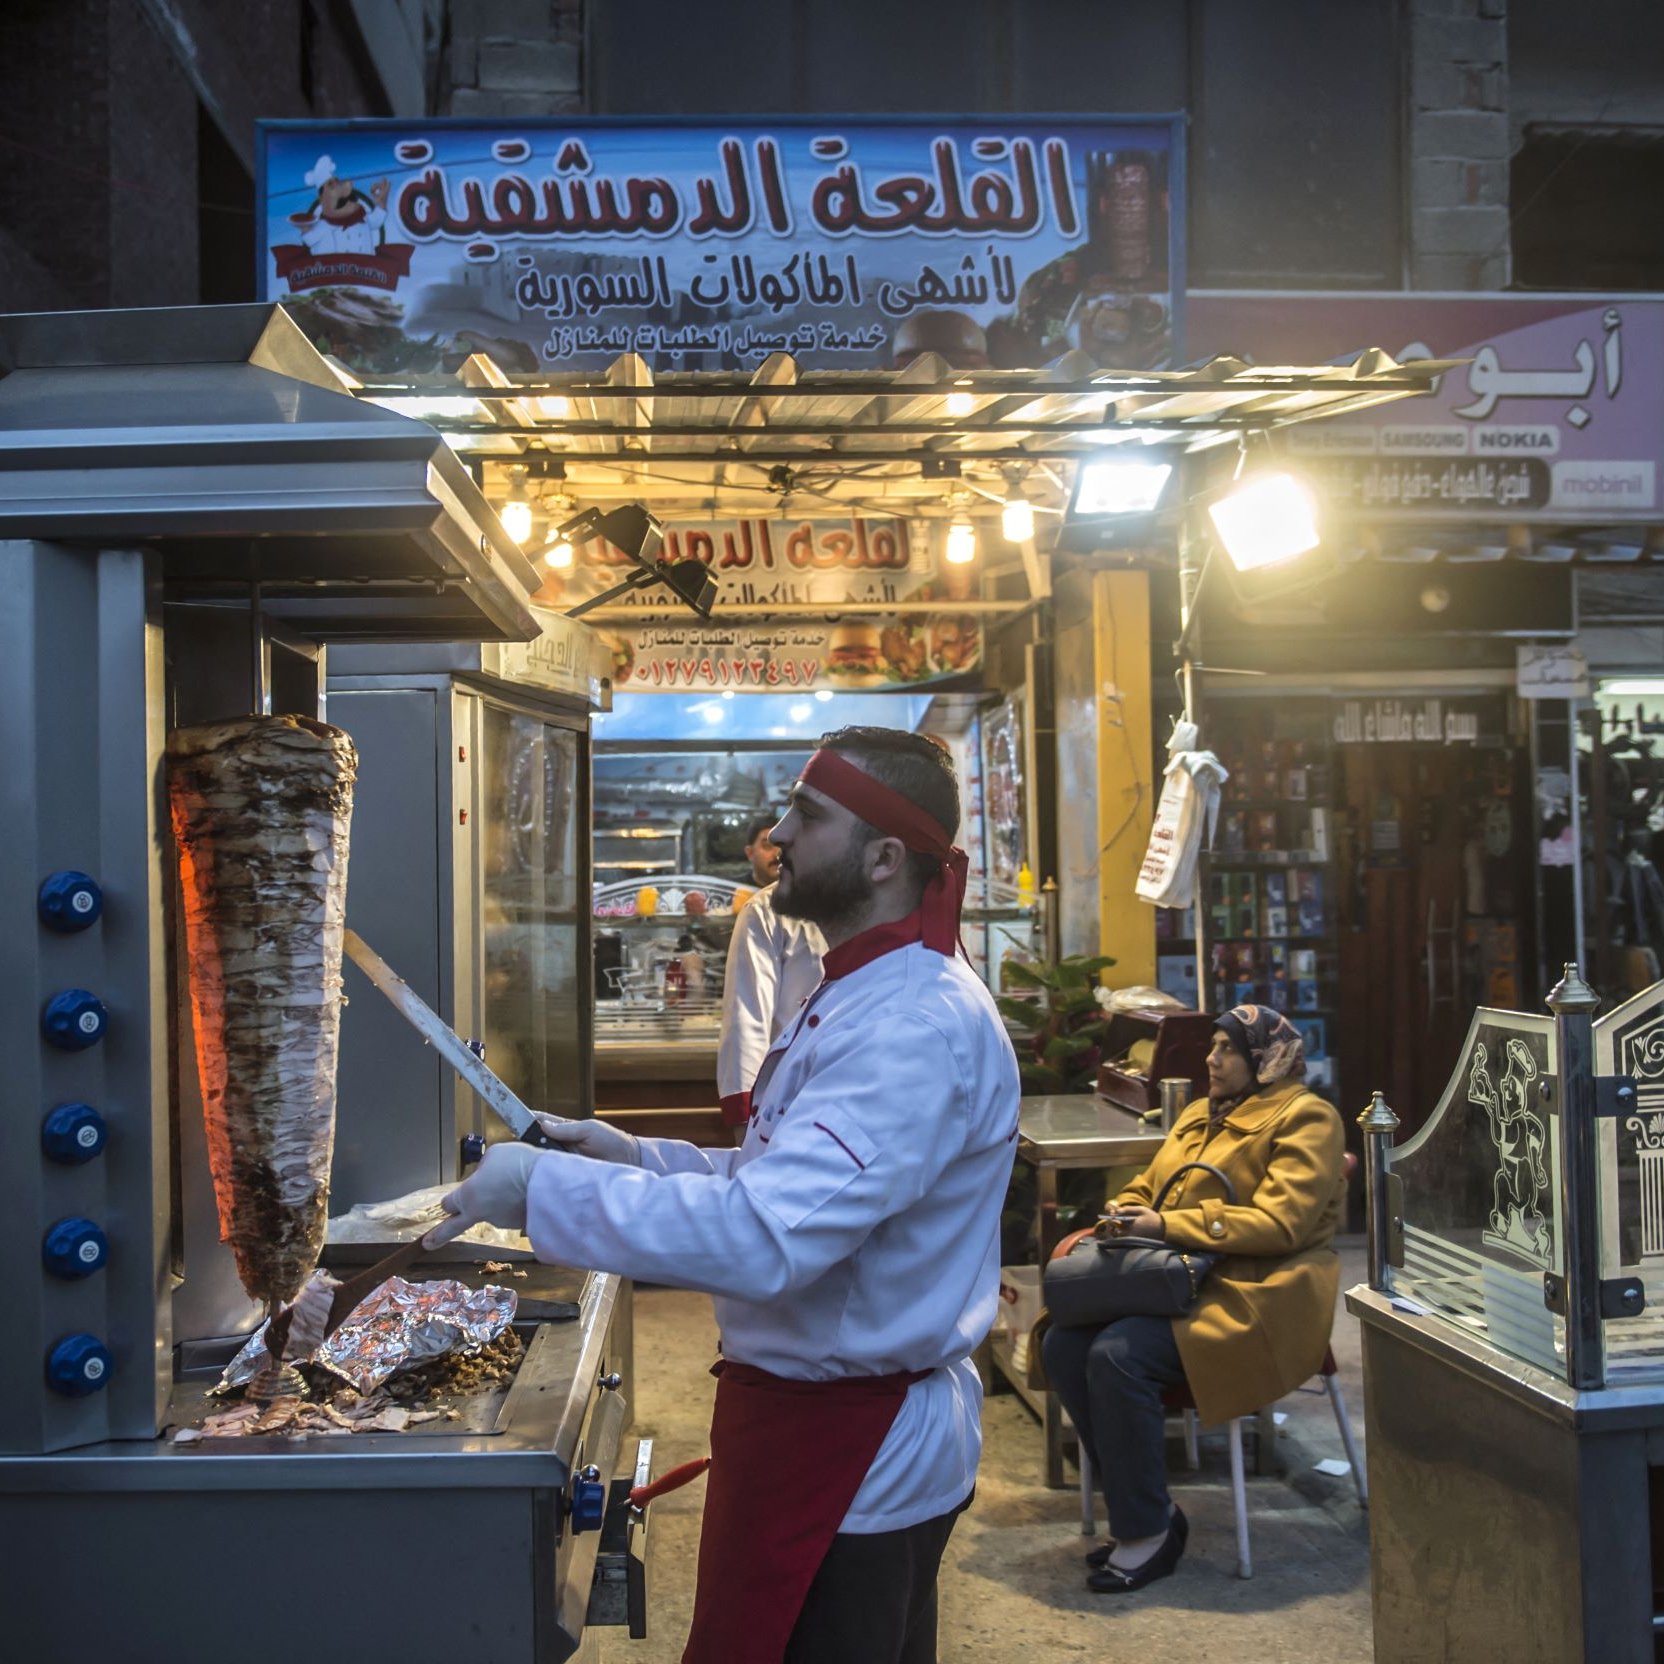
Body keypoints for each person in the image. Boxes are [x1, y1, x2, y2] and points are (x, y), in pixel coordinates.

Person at [427, 727, 1021, 1664]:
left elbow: (765, 1240)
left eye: (808, 815)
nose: (778, 833)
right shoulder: (861, 990)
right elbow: (772, 1184)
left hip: (849, 1462)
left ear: (882, 858)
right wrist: (626, 1159)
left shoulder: (911, 1026)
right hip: (805, 1429)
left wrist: (544, 1189)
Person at [1041, 1005, 1345, 1595]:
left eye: (1228, 1049)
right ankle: (1148, 1510)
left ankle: (1146, 1531)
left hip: (1255, 1293)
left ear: (1266, 1059)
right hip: (1174, 1280)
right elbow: (1148, 1185)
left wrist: (1170, 1226)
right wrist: (1124, 1212)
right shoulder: (1199, 1115)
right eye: (1213, 1047)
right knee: (1061, 1343)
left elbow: (1282, 1225)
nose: (1212, 1059)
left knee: (1117, 1354)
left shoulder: (1307, 1118)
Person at [717, 814, 826, 1128]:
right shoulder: (764, 910)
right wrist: (744, 1120)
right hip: (788, 1101)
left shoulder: (879, 905)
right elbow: (747, 1022)